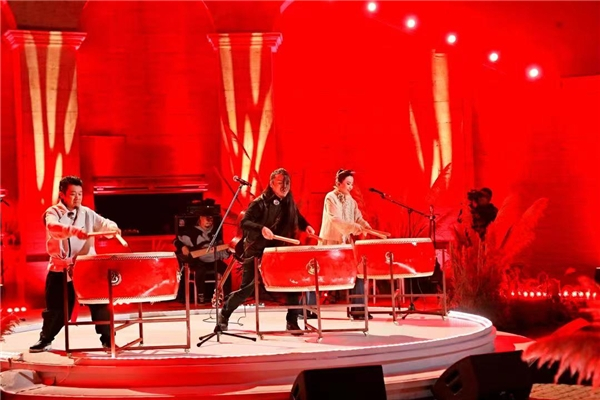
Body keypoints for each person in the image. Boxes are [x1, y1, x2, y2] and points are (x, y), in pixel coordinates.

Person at [216, 168, 315, 334]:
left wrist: (307, 226)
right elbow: (245, 222)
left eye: (287, 183)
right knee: (247, 289)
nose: (284, 186)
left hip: (278, 250)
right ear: (271, 183)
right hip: (256, 250)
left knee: (292, 283)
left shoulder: (288, 201)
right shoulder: (259, 203)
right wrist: (261, 228)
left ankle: (292, 321)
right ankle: (224, 315)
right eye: (280, 182)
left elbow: (296, 215)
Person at [29, 176, 122, 352]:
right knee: (56, 309)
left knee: (101, 303)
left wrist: (112, 228)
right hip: (61, 269)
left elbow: (103, 223)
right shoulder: (53, 212)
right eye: (72, 194)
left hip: (87, 268)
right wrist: (73, 231)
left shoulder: (87, 213)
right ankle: (45, 339)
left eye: (79, 194)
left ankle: (108, 340)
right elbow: (53, 227)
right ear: (62, 194)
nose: (77, 197)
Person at [313, 169, 373, 320]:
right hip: (330, 243)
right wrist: (354, 227)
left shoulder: (351, 201)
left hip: (345, 244)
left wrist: (365, 226)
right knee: (318, 275)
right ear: (338, 183)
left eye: (352, 184)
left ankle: (358, 310)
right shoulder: (330, 198)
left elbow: (358, 218)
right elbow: (335, 220)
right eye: (347, 183)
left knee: (358, 272)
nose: (350, 187)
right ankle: (308, 309)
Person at [173, 201, 231, 304]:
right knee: (200, 270)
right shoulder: (192, 233)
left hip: (214, 260)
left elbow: (222, 252)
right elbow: (176, 241)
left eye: (211, 218)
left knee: (226, 270)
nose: (209, 220)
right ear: (200, 218)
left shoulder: (216, 233)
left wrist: (228, 251)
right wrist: (182, 247)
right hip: (199, 261)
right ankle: (201, 296)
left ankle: (227, 296)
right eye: (206, 218)